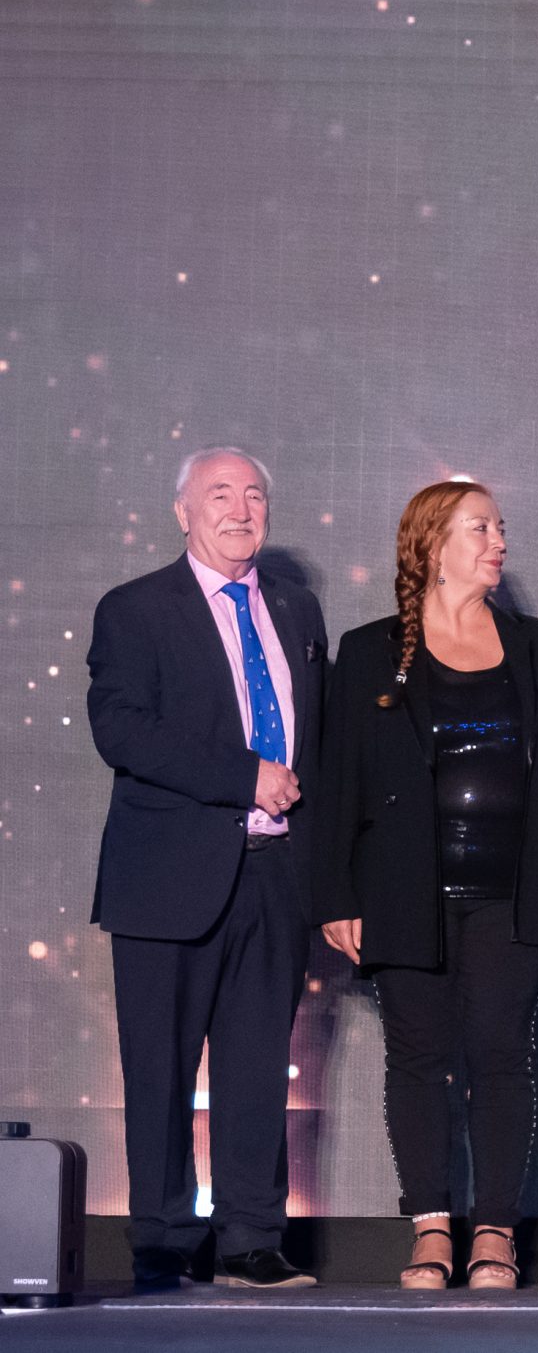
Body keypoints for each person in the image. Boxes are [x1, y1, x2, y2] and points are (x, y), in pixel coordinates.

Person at [308, 481, 538, 1290]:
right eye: (481, 528)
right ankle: (431, 1228)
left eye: (500, 527)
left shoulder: (537, 645)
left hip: (514, 891)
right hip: (401, 890)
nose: (499, 541)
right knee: (418, 1056)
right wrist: (335, 894)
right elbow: (338, 780)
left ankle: (495, 1234)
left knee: (503, 1054)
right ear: (434, 544)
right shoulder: (371, 649)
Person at [85, 448, 327, 1290]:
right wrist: (243, 775)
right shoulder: (134, 608)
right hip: (166, 877)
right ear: (183, 512)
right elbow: (121, 730)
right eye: (219, 494)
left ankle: (250, 1239)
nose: (241, 509)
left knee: (259, 1068)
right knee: (160, 1066)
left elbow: (319, 741)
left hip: (276, 872)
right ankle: (162, 1239)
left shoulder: (295, 608)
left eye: (255, 494)